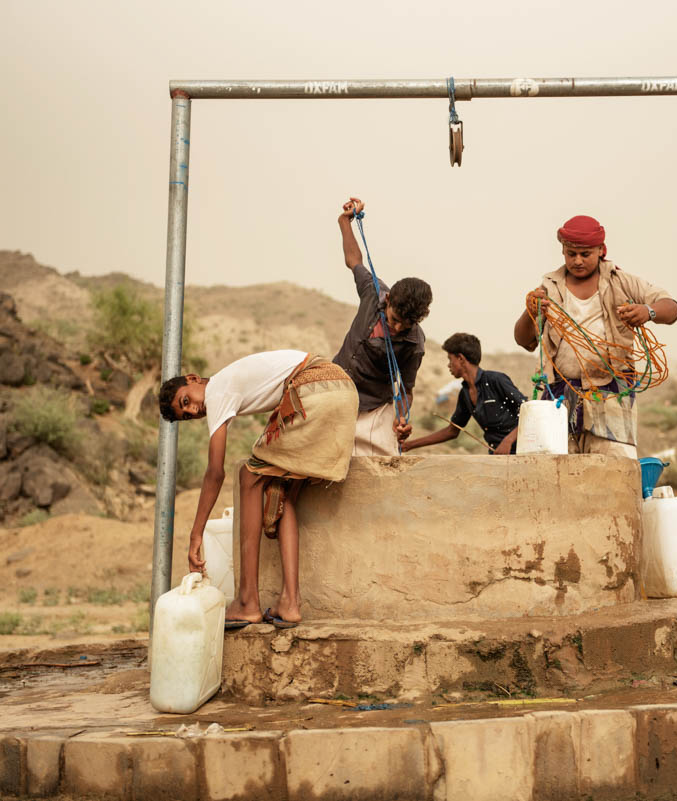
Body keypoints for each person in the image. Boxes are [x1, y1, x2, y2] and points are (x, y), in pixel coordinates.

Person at [159, 349, 358, 630]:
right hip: (343, 390)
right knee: (279, 491)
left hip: (313, 389)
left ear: (193, 379)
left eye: (186, 400)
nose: (194, 410)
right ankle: (290, 603)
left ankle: (247, 601)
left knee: (248, 475)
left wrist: (195, 534)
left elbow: (215, 472)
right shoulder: (230, 381)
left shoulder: (217, 390)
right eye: (188, 415)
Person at [512, 214, 677, 458]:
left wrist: (648, 311)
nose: (577, 261)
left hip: (612, 395)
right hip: (560, 397)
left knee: (614, 469)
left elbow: (672, 308)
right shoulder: (549, 287)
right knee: (559, 472)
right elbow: (523, 340)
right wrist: (531, 311)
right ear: (563, 252)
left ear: (601, 250)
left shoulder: (622, 282)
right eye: (571, 254)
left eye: (585, 254)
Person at [332, 197, 433, 456]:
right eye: (394, 319)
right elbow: (354, 260)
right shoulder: (372, 292)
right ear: (388, 300)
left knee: (380, 469)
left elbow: (406, 390)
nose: (398, 328)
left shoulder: (414, 345)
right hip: (336, 389)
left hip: (373, 409)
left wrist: (401, 420)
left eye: (406, 324)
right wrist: (345, 222)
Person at [404, 333, 526, 455]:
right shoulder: (465, 394)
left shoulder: (495, 380)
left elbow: (528, 411)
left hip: (523, 451)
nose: (448, 365)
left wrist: (508, 441)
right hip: (497, 454)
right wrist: (409, 445)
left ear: (461, 359)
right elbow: (452, 431)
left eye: (450, 359)